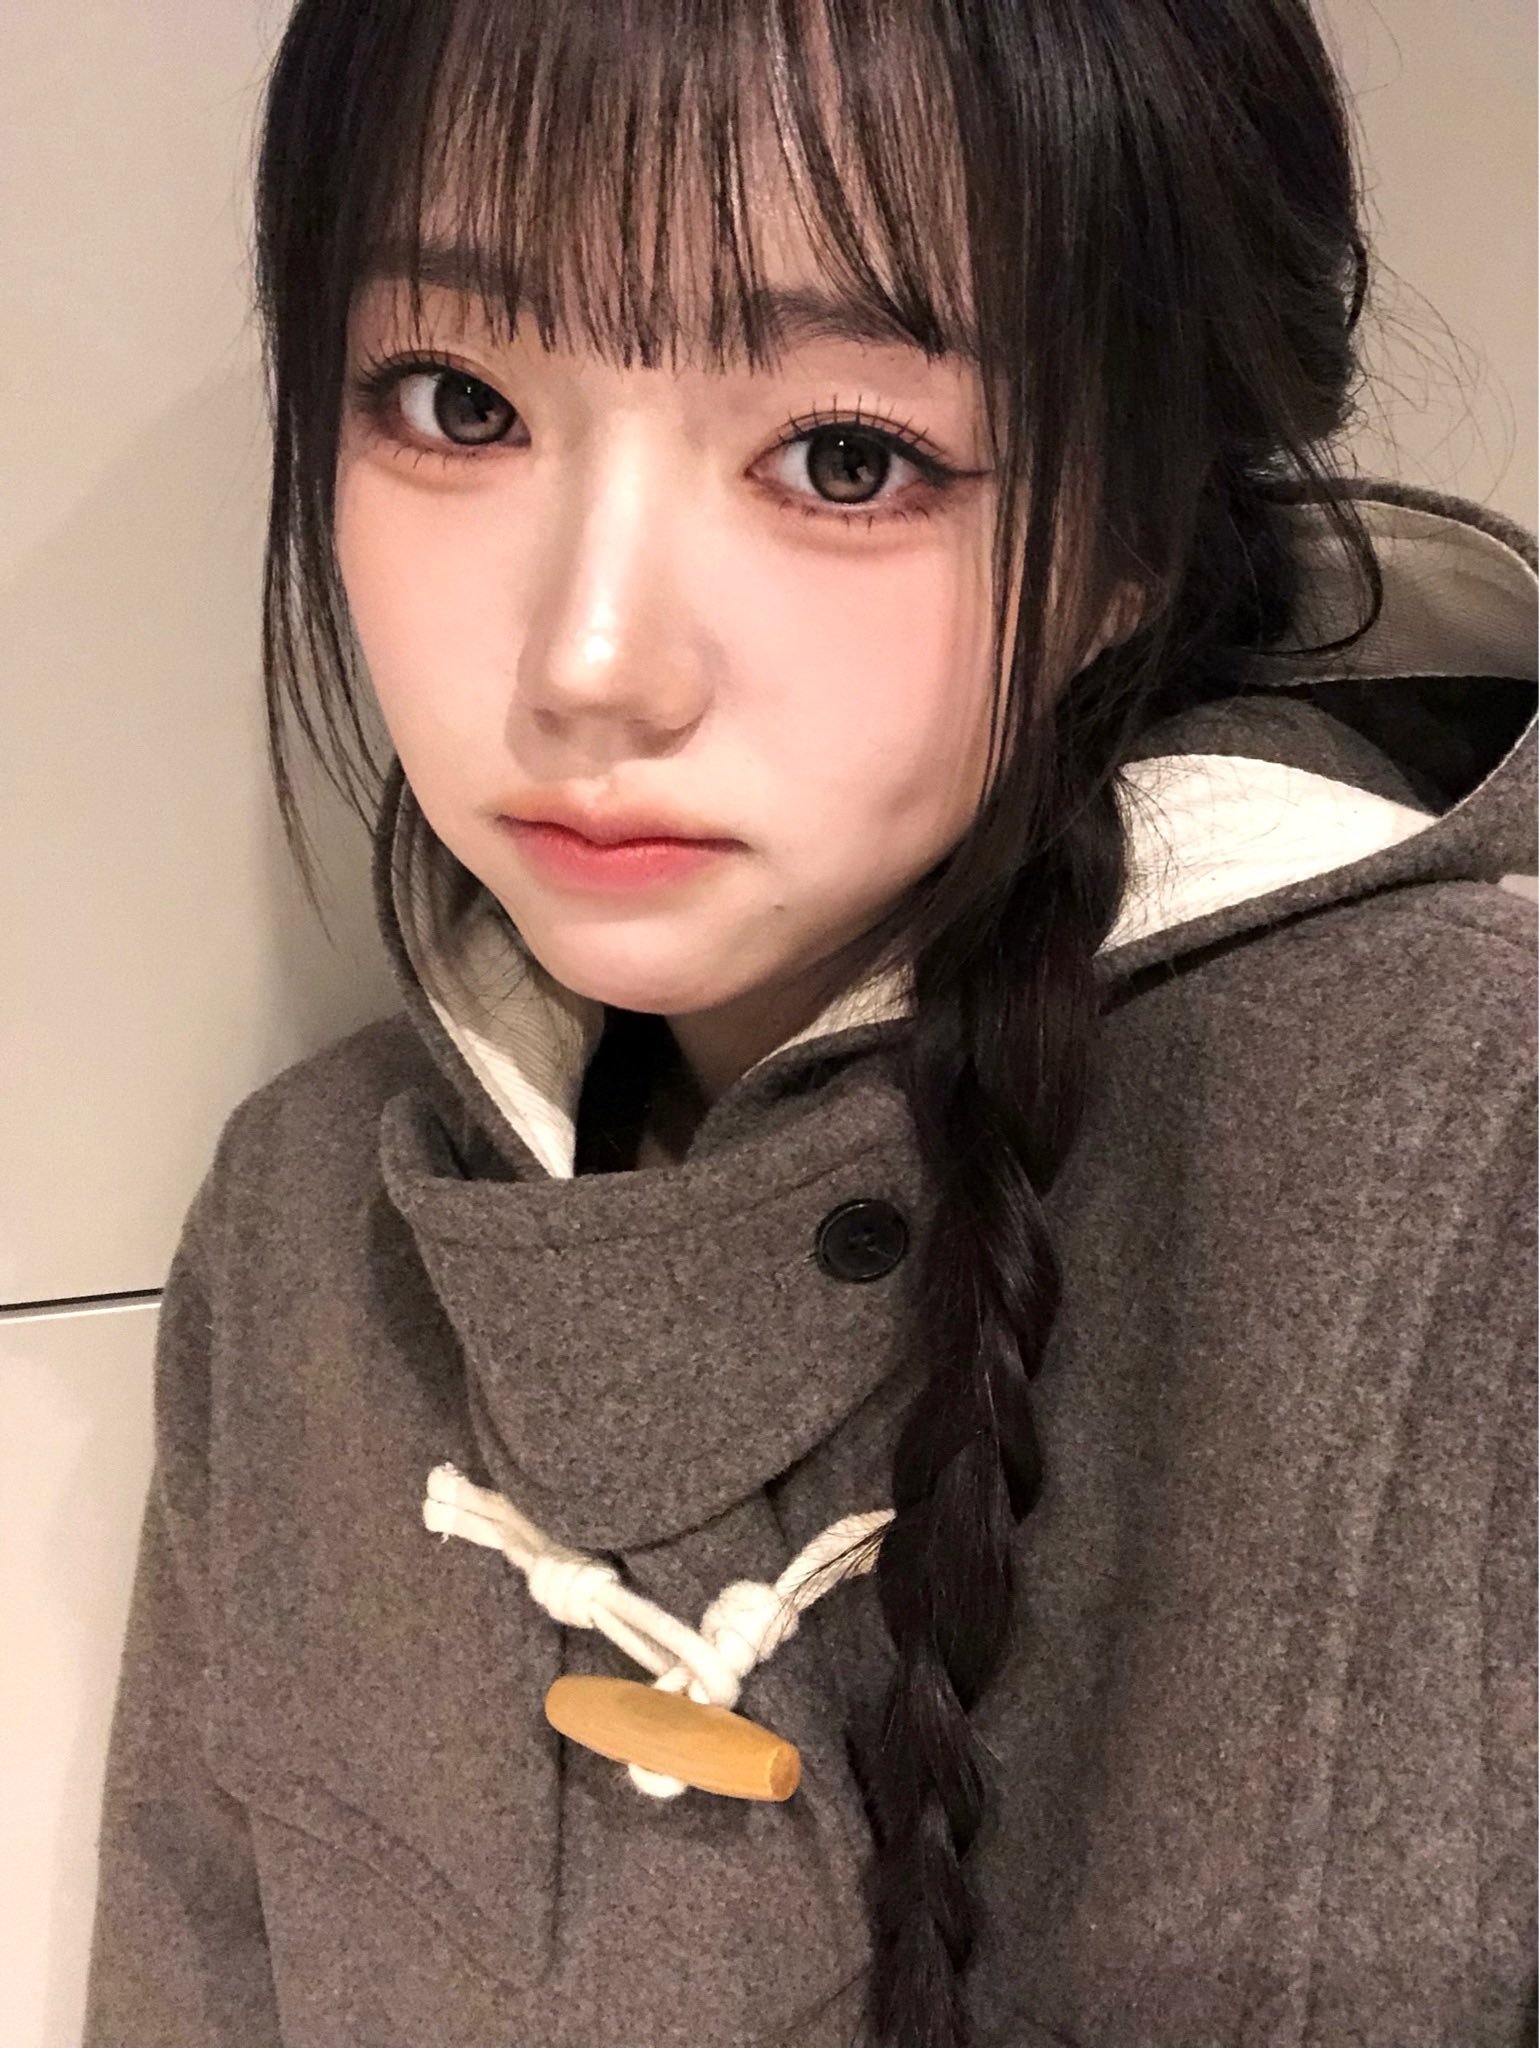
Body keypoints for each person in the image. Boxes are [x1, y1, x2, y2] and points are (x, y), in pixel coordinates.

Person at [83, 1, 1537, 2044]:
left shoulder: (1474, 1169)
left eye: (844, 457)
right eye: (456, 400)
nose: (592, 662)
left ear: (1136, 534)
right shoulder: (306, 1241)